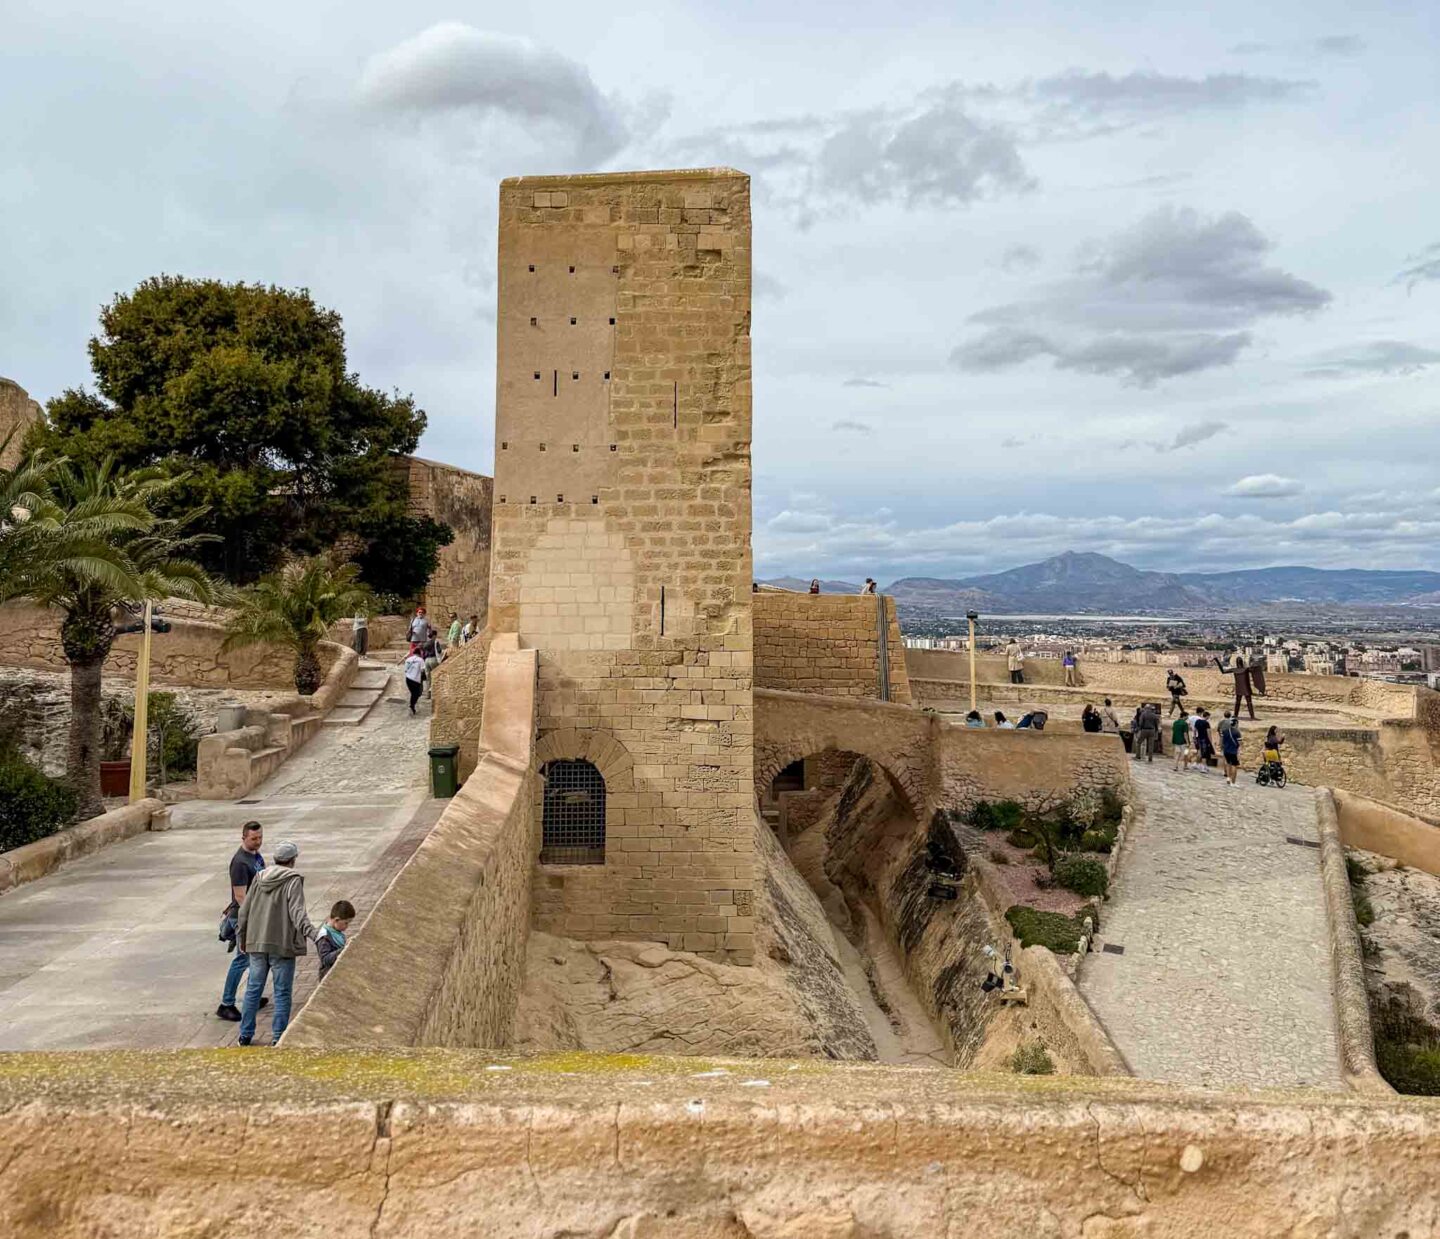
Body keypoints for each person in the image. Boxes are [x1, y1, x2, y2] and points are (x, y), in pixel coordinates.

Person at [236, 840, 319, 1046]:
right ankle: (278, 1036)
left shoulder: (259, 877)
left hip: (256, 941)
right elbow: (298, 914)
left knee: (253, 989)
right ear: (292, 860)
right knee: (282, 992)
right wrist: (316, 935)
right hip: (281, 944)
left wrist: (242, 937)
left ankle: (245, 1035)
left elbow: (244, 911)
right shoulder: (292, 880)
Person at [216, 821, 270, 1023]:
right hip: (244, 918)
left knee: (257, 958)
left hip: (255, 914)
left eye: (260, 838)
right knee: (242, 960)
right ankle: (226, 1004)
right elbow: (240, 897)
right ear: (244, 838)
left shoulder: (256, 856)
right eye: (254, 838)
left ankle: (252, 996)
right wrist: (254, 918)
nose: (258, 841)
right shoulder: (240, 863)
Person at [316, 900, 355, 980]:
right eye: (346, 923)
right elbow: (325, 959)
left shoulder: (336, 931)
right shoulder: (324, 937)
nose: (347, 926)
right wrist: (343, 949)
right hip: (328, 975)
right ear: (336, 920)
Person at [1215, 653, 1256, 721]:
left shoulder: (1235, 670)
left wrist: (1217, 661)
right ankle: (1252, 716)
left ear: (1236, 663)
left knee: (1238, 702)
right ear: (1242, 662)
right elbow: (1254, 670)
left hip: (1239, 688)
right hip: (1246, 688)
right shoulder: (1246, 669)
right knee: (1249, 702)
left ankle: (1236, 715)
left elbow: (1223, 671)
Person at [1219, 711, 1242, 785]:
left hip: (1226, 750)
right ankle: (1233, 782)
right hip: (1233, 751)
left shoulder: (1225, 731)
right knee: (1234, 765)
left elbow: (1221, 740)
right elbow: (1240, 743)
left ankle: (1228, 778)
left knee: (1228, 764)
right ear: (1236, 723)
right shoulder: (1237, 732)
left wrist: (1221, 747)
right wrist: (1239, 751)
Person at [403, 644, 427, 714]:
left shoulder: (408, 659)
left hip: (408, 679)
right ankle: (412, 706)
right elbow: (423, 670)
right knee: (416, 694)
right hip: (416, 680)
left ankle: (412, 705)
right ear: (419, 653)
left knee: (413, 693)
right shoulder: (420, 660)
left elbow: (405, 670)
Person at [1192, 708, 1214, 773]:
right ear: (1207, 716)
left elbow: (1194, 730)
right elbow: (1208, 732)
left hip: (1199, 738)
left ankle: (1203, 765)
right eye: (1208, 717)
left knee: (1200, 751)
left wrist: (1195, 738)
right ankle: (1203, 767)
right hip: (1205, 739)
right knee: (1205, 753)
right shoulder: (1206, 723)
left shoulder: (1197, 721)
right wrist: (1210, 741)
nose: (1208, 718)